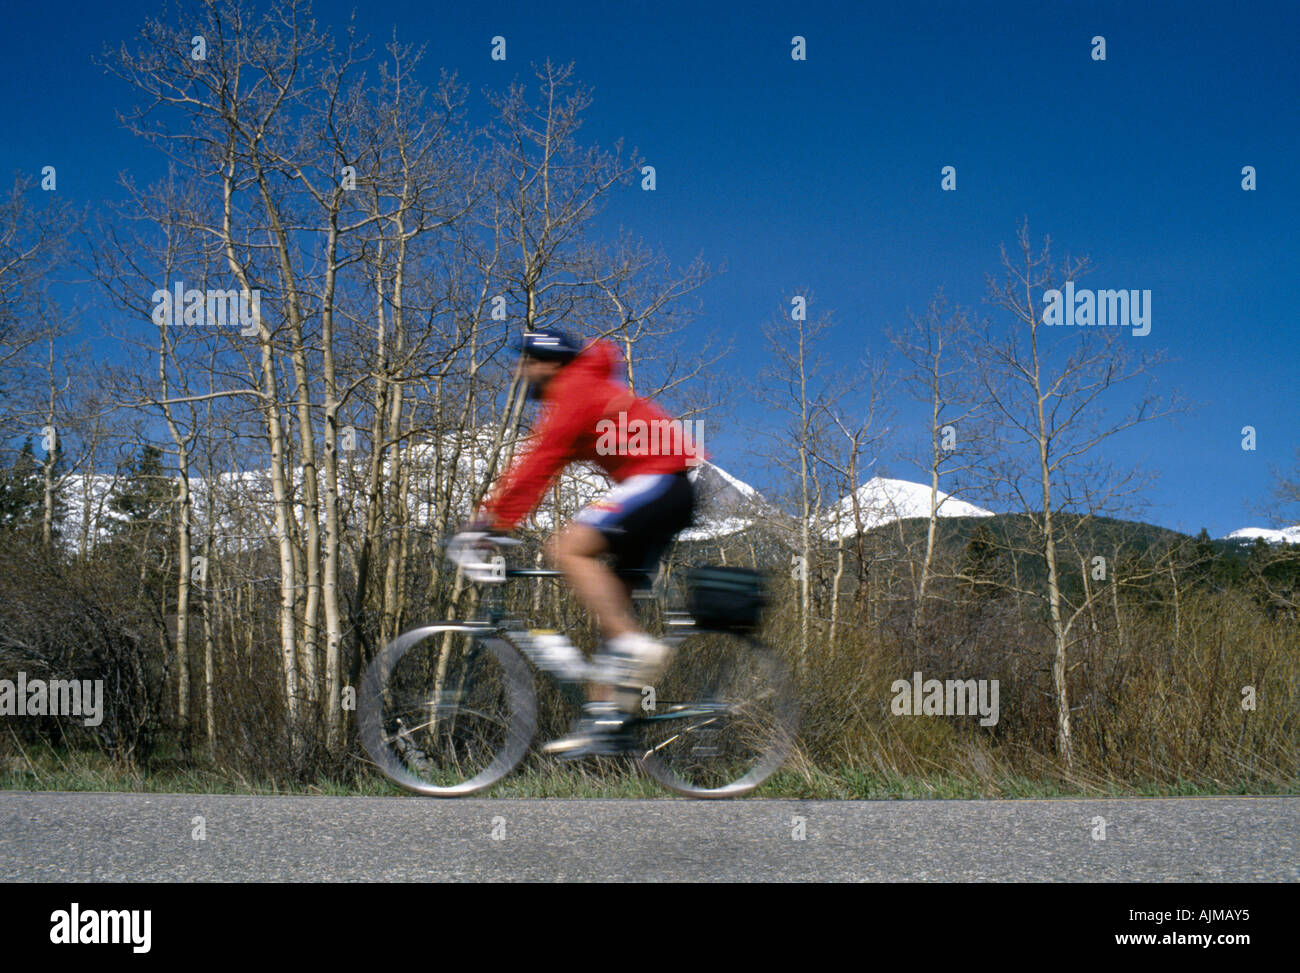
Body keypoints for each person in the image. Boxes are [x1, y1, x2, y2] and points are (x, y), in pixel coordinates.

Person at [452, 327, 701, 758]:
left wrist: (489, 524)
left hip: (661, 481)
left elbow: (538, 463)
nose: (520, 370)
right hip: (664, 489)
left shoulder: (574, 390)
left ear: (549, 363)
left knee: (567, 548)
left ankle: (633, 648)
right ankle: (607, 722)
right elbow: (544, 469)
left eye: (527, 361)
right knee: (613, 614)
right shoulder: (582, 389)